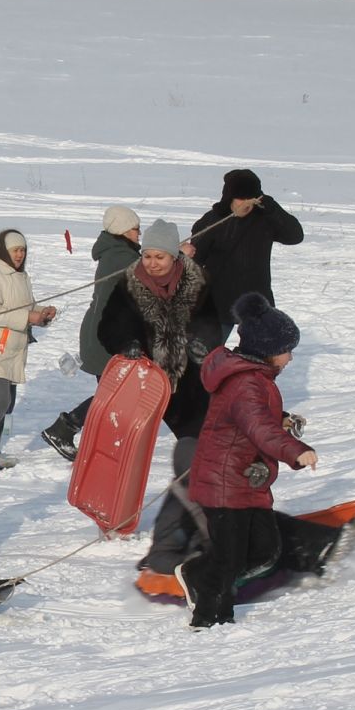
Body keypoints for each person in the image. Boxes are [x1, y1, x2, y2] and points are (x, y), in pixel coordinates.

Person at [177, 294, 318, 628]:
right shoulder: (247, 383)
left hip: (246, 479)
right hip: (224, 483)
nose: (290, 358)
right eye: (286, 350)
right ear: (266, 350)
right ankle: (208, 619)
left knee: (265, 550)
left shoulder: (254, 379)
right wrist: (296, 450)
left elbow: (255, 420)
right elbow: (258, 428)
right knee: (228, 560)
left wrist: (280, 418)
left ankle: (197, 572)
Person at [96, 219, 225, 573]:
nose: (152, 263)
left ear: (173, 257)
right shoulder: (130, 284)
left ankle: (190, 537)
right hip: (147, 381)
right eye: (148, 255)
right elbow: (107, 327)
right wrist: (128, 344)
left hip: (191, 382)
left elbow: (214, 324)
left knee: (195, 453)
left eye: (159, 257)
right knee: (127, 447)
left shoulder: (197, 282)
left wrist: (206, 345)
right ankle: (113, 511)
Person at [41, 205, 141, 461]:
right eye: (135, 229)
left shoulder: (116, 252)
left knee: (113, 394)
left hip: (102, 334)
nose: (138, 235)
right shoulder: (122, 258)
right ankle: (67, 429)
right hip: (107, 338)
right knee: (115, 396)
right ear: (121, 230)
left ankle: (74, 431)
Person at [0, 228, 58, 465]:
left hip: (14, 351)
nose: (20, 255)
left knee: (7, 405)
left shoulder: (21, 277)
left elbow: (29, 308)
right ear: (4, 252)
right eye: (16, 250)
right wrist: (29, 317)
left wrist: (42, 314)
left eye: (23, 250)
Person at [191, 169, 304, 340]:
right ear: (229, 197)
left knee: (260, 356)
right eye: (240, 198)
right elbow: (196, 256)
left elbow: (295, 236)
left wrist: (271, 206)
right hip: (218, 300)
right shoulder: (213, 219)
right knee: (207, 356)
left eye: (250, 198)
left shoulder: (265, 219)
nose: (246, 204)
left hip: (256, 298)